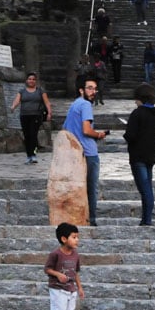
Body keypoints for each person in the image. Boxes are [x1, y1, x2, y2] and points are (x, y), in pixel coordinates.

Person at [63, 76, 108, 226]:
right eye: (89, 88)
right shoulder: (85, 105)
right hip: (89, 153)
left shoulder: (74, 105)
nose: (93, 91)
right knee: (91, 188)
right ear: (81, 90)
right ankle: (91, 219)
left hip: (75, 154)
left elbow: (66, 130)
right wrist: (98, 134)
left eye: (95, 88)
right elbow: (87, 130)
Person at [123, 83, 155, 226]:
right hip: (151, 155)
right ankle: (146, 218)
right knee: (148, 186)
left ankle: (147, 220)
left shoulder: (137, 113)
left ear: (140, 98)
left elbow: (131, 135)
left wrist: (126, 131)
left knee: (144, 188)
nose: (135, 102)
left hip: (138, 155)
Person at [44, 222, 84, 310]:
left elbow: (76, 272)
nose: (77, 240)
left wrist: (80, 287)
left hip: (71, 289)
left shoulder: (76, 255)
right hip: (57, 289)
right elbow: (47, 269)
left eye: (77, 237)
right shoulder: (55, 254)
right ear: (64, 239)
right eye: (74, 237)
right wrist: (58, 274)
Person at [10, 72, 51, 164]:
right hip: (24, 116)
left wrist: (49, 113)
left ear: (35, 81)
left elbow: (47, 102)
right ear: (26, 81)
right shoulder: (22, 91)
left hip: (36, 115)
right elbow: (17, 100)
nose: (31, 81)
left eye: (33, 79)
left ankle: (34, 154)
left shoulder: (40, 91)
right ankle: (29, 155)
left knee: (33, 135)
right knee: (27, 136)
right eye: (29, 79)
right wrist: (13, 107)